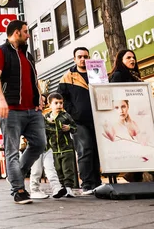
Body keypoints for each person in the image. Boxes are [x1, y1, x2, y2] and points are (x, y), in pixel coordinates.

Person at [0, 20, 45, 205]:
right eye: (25, 31)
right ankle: (18, 189)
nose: (28, 35)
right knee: (11, 150)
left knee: (39, 144)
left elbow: (33, 80)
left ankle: (17, 174)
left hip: (32, 110)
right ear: (15, 33)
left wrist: (40, 97)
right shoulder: (0, 52)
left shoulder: (27, 55)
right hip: (11, 110)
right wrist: (1, 100)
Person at [58, 47, 100, 195]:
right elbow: (62, 99)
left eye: (85, 56)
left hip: (97, 119)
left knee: (96, 150)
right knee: (85, 149)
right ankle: (87, 184)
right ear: (74, 59)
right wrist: (73, 113)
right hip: (78, 122)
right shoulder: (67, 77)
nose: (83, 59)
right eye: (80, 56)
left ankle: (97, 183)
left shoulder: (97, 73)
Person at [108, 50, 153, 182]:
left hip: (138, 117)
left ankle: (134, 176)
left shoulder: (134, 75)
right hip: (128, 119)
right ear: (121, 60)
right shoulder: (118, 75)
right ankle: (133, 175)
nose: (132, 60)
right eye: (128, 58)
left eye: (133, 57)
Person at [31, 93, 76, 199]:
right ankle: (34, 189)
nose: (59, 105)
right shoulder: (44, 117)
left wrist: (69, 127)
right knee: (38, 170)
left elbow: (74, 127)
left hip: (59, 148)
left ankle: (60, 188)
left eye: (61, 103)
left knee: (57, 169)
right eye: (56, 103)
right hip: (44, 147)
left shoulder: (64, 115)